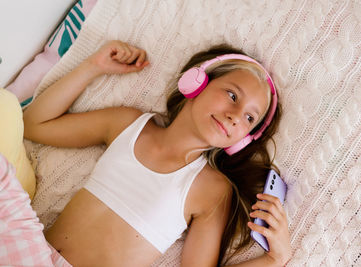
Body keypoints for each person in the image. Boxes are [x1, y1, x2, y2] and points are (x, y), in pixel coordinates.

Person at [22, 40, 291, 266]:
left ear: (243, 140)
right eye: (233, 96)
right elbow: (34, 124)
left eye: (249, 118)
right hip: (30, 255)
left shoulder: (212, 190)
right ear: (196, 82)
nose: (235, 117)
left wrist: (274, 260)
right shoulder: (127, 125)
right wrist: (94, 66)